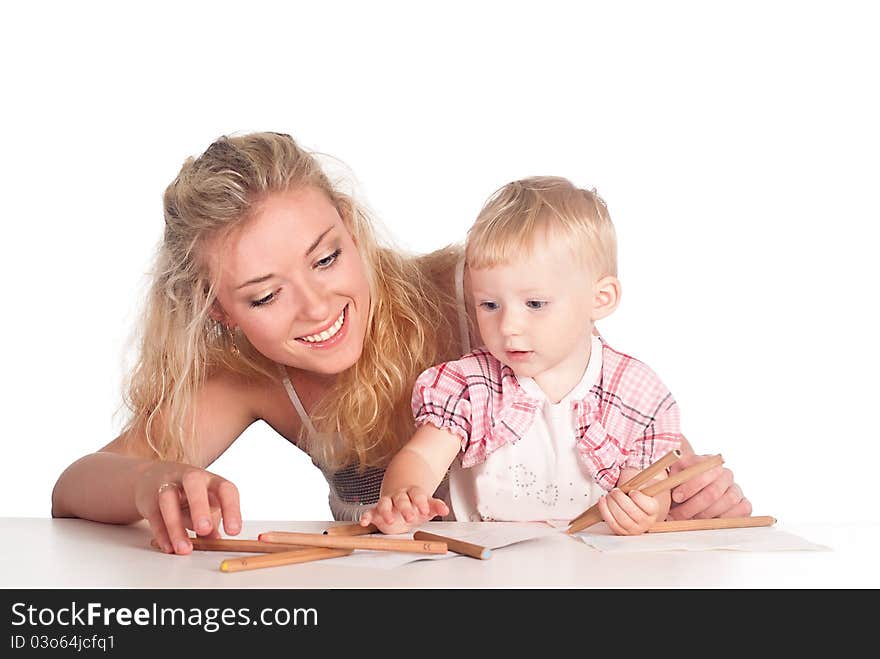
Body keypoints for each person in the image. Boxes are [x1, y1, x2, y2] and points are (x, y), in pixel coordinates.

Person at [51, 133, 751, 555]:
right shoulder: (252, 380)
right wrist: (150, 481)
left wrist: (686, 493)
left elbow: (609, 409)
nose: (318, 305)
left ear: (352, 228)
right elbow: (73, 487)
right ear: (220, 312)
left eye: (326, 258)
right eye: (265, 295)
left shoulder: (469, 298)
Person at [361, 177, 719, 535]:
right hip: (483, 566)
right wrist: (403, 495)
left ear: (601, 298)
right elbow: (422, 456)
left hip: (593, 565)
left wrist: (643, 511)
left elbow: (650, 486)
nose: (508, 326)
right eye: (489, 304)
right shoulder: (471, 385)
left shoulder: (633, 390)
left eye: (534, 304)